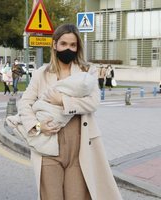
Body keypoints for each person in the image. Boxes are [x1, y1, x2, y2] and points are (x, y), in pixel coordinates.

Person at [16, 24, 122, 200]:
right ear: (55, 45)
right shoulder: (41, 73)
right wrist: (37, 125)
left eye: (73, 45)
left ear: (78, 47)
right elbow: (25, 103)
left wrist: (63, 101)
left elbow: (93, 102)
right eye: (64, 44)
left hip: (79, 151)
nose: (68, 49)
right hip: (48, 148)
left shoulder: (87, 71)